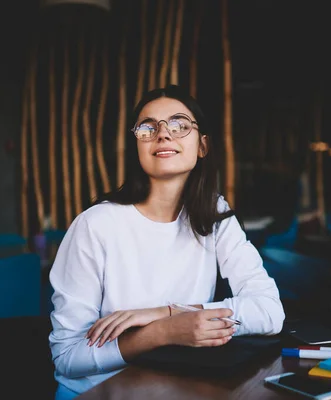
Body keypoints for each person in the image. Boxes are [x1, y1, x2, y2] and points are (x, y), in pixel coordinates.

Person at [48, 85, 285, 399]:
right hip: (98, 391)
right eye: (148, 127)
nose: (163, 134)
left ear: (202, 146)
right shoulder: (96, 224)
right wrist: (160, 332)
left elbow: (270, 312)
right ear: (137, 145)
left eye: (179, 125)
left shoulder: (213, 214)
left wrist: (169, 313)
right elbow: (67, 358)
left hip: (178, 385)